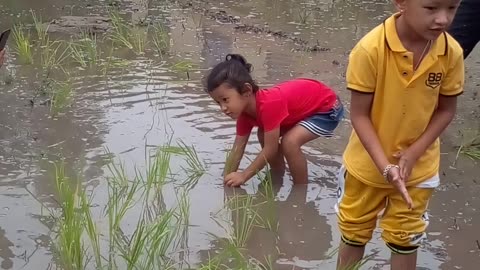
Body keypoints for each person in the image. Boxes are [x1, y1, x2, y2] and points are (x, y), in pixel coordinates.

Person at [335, 0, 464, 269]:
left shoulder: (451, 52)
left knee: (405, 239)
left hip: (418, 170)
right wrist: (385, 167)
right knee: (353, 233)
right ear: (401, 3)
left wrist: (414, 152)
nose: (443, 19)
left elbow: (446, 110)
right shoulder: (370, 49)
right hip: (367, 168)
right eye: (431, 9)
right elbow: (359, 114)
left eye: (452, 8)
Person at [206, 54, 344, 187]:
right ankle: (278, 174)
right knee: (263, 134)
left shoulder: (269, 104)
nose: (223, 108)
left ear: (246, 90)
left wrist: (244, 175)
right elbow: (238, 148)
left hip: (327, 107)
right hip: (304, 107)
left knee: (289, 142)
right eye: (218, 103)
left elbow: (270, 149)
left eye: (225, 100)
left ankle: (300, 192)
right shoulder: (244, 115)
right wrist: (226, 178)